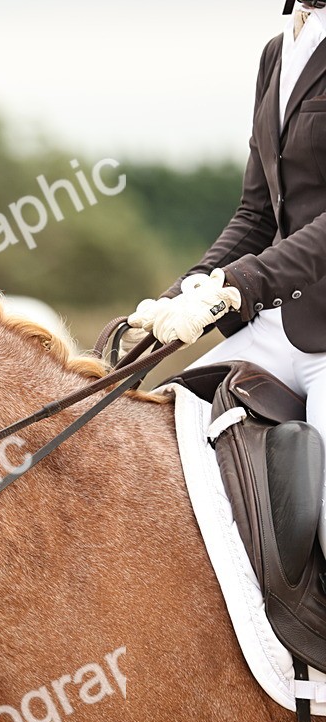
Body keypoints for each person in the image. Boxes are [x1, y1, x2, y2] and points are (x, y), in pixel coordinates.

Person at [122, 2, 326, 497]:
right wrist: (181, 296)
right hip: (279, 325)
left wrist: (240, 285)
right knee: (161, 440)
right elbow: (256, 215)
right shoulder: (278, 54)